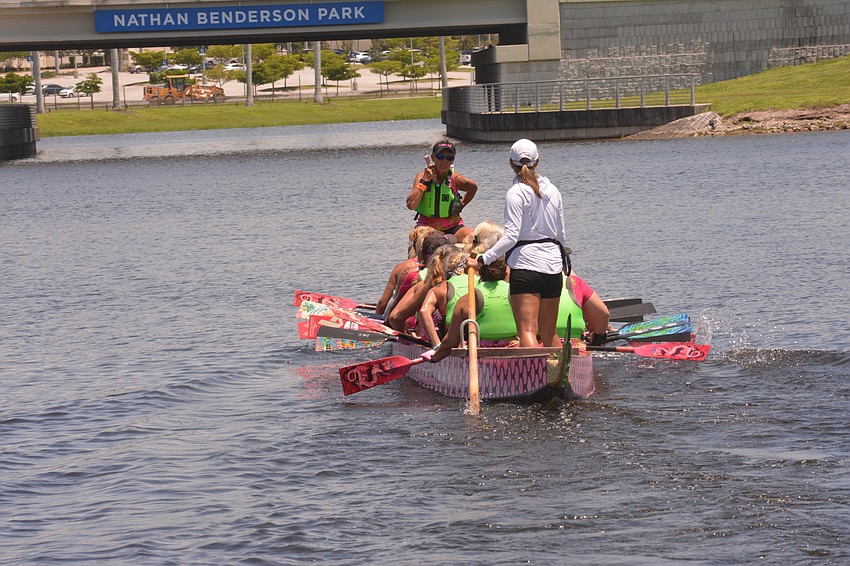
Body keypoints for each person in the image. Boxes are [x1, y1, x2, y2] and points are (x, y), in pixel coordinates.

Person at [468, 138, 568, 348]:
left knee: (528, 331)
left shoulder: (515, 193)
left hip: (526, 267)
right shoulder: (554, 191)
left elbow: (511, 236)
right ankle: (559, 368)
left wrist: (483, 260)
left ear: (510, 163)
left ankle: (534, 369)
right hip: (553, 267)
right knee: (549, 333)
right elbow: (561, 235)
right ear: (537, 161)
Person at [406, 139, 478, 243]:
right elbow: (410, 205)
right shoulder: (422, 177)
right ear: (433, 157)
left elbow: (473, 187)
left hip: (453, 225)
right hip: (427, 227)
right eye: (440, 157)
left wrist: (462, 205)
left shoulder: (455, 178)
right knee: (430, 242)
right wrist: (424, 181)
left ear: (453, 160)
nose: (444, 161)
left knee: (473, 238)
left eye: (449, 158)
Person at [375, 226, 435, 318]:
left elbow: (383, 303)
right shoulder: (438, 268)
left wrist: (376, 318)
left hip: (396, 314)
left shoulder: (401, 267)